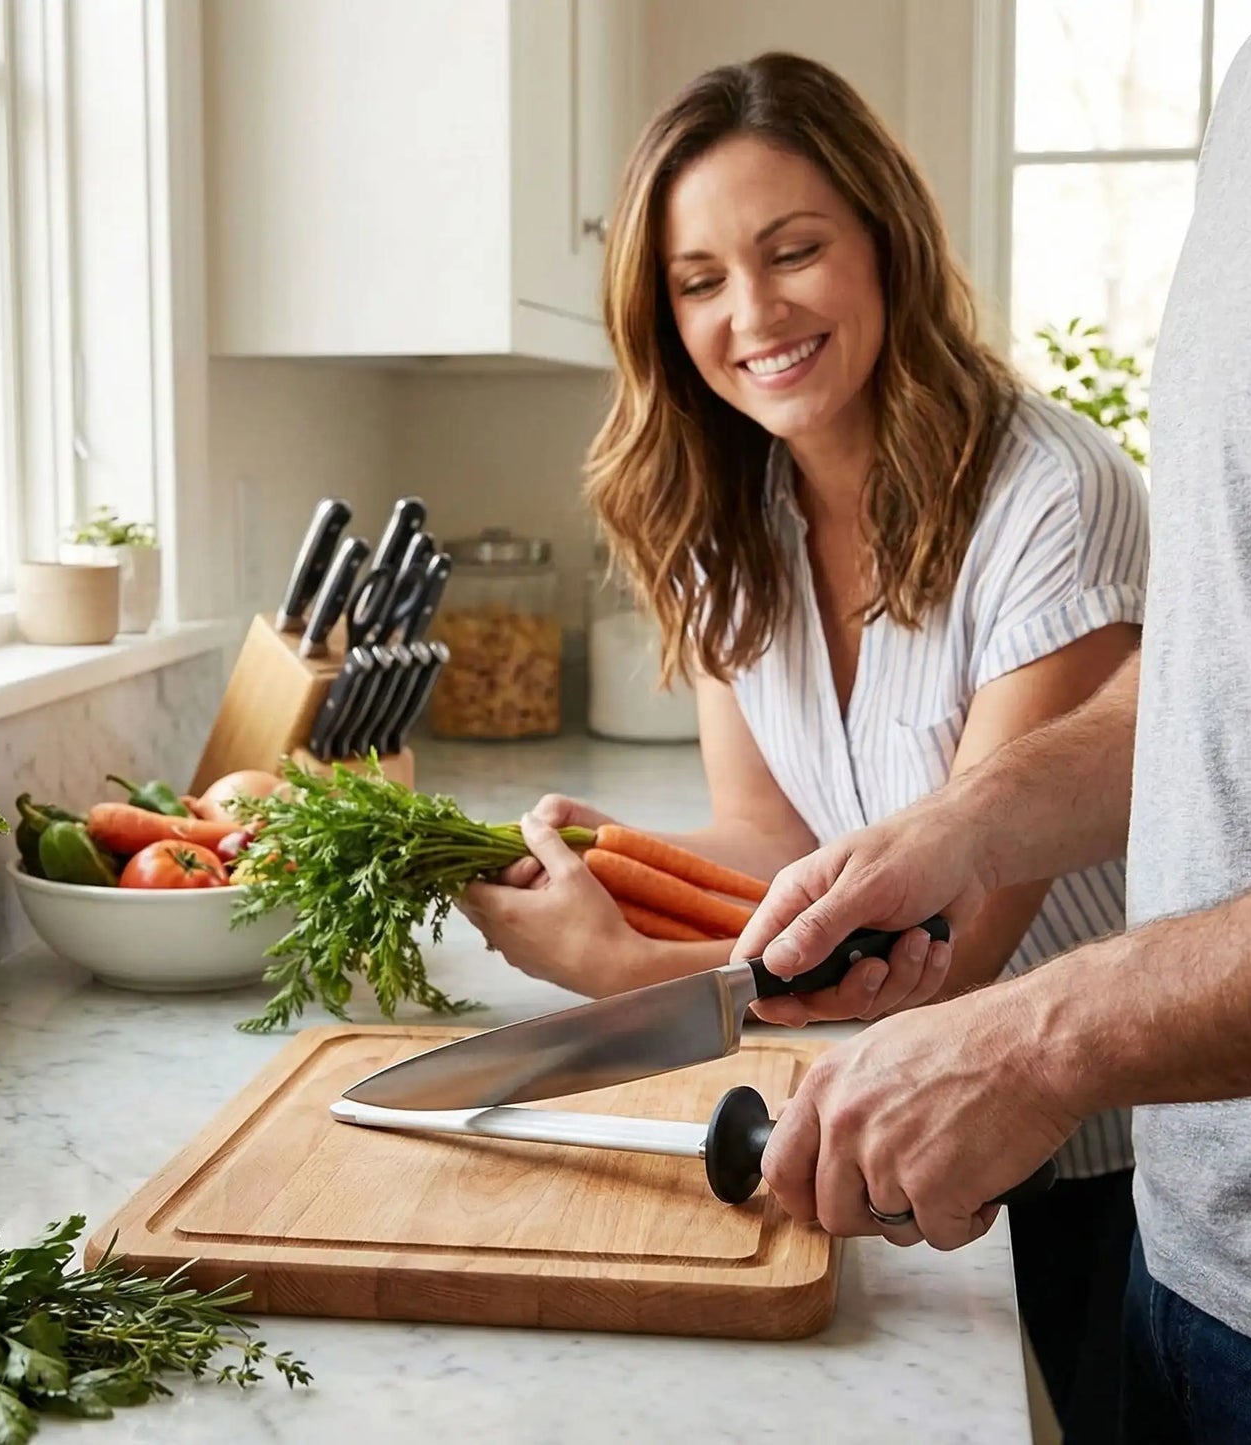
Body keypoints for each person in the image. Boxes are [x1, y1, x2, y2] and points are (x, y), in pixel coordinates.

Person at [456, 52, 1147, 1439]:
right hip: (883, 1108)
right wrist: (607, 861)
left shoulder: (1050, 497)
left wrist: (624, 973)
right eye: (700, 279)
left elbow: (957, 948)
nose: (753, 313)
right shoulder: (729, 515)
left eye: (792, 252)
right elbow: (774, 838)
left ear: (885, 242)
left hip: (1090, 1168)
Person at [735, 15, 1251, 1445]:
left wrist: (1036, 1044)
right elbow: (1228, 670)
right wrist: (960, 825)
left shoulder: (1044, 486)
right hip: (1200, 1245)